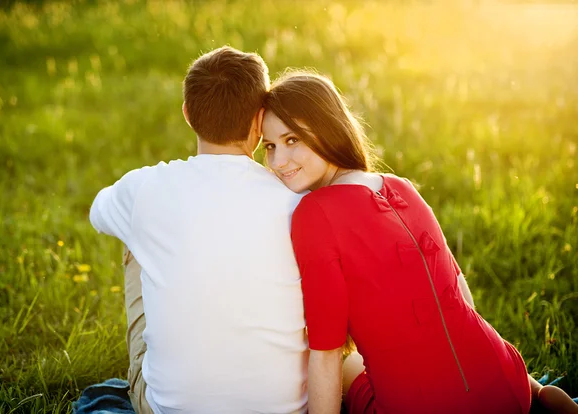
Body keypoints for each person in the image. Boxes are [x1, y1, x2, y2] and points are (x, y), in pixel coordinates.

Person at [261, 71, 578, 414]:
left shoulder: (313, 213)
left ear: (327, 127)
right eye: (270, 147)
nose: (278, 162)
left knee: (349, 365)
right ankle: (539, 393)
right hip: (503, 379)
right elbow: (461, 294)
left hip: (418, 405)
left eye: (291, 140)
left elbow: (326, 354)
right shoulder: (401, 186)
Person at [89, 47, 309, 414]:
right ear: (260, 120)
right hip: (287, 407)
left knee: (134, 234)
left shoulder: (146, 188)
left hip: (170, 408)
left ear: (188, 115)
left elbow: (99, 212)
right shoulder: (294, 201)